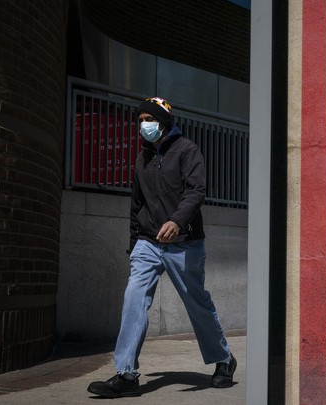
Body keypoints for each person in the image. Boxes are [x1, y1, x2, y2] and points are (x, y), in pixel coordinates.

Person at [87, 97, 236, 398]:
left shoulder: (187, 150)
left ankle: (224, 359)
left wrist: (178, 221)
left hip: (185, 242)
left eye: (148, 119)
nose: (144, 125)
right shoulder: (142, 158)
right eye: (140, 120)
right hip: (148, 242)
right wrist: (134, 243)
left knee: (197, 302)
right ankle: (126, 374)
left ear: (164, 121)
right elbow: (136, 203)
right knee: (134, 296)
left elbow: (196, 190)